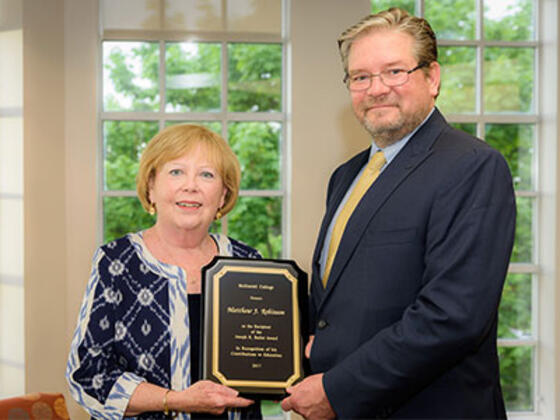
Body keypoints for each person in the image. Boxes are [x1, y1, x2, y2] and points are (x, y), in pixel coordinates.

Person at [281, 7, 516, 419]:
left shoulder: (472, 166)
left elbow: (452, 317)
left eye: (394, 71)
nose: (376, 89)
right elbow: (338, 306)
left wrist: (337, 389)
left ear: (432, 78)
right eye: (361, 76)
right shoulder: (346, 177)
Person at [67, 124, 263, 419]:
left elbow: (270, 362)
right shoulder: (116, 262)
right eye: (176, 172)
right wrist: (176, 400)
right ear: (151, 186)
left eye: (207, 175)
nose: (191, 186)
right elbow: (88, 376)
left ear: (223, 196)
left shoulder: (249, 262)